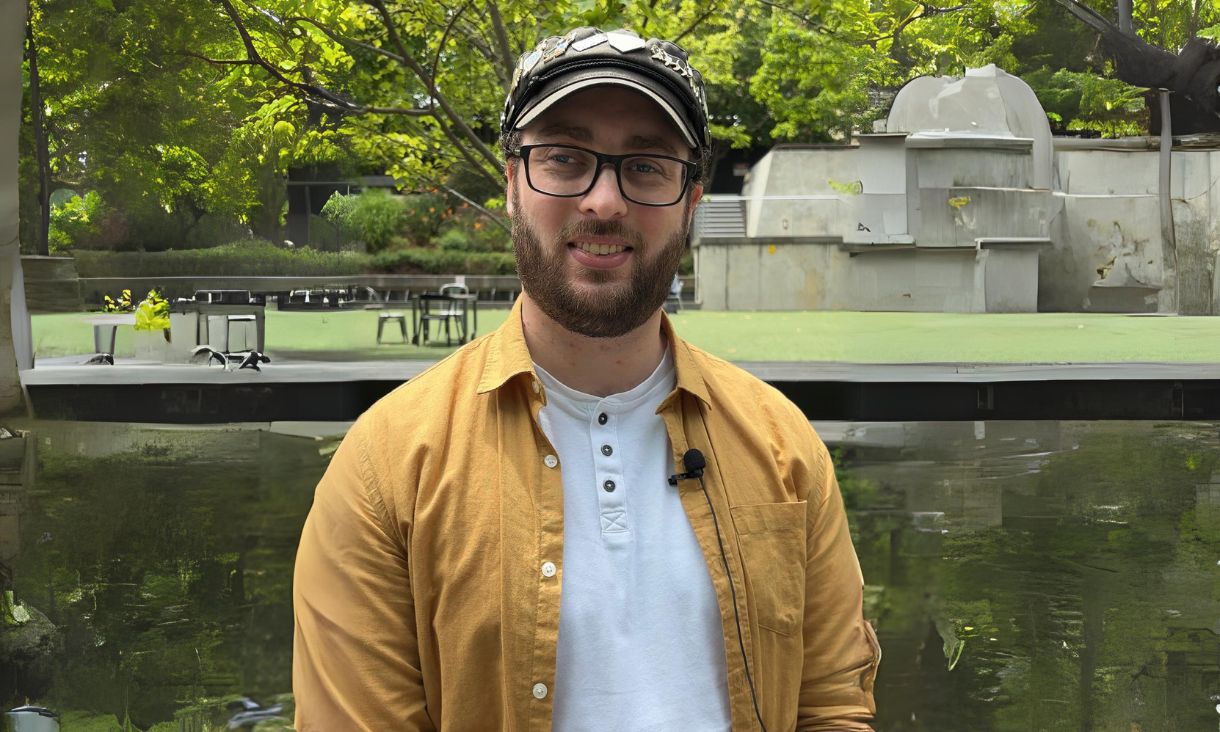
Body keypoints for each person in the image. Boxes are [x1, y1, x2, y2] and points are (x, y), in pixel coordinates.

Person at [292, 26, 880, 731]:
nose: (604, 201)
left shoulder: (784, 448)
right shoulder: (386, 467)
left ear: (692, 201)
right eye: (566, 159)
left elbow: (832, 708)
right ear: (511, 183)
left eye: (646, 166)